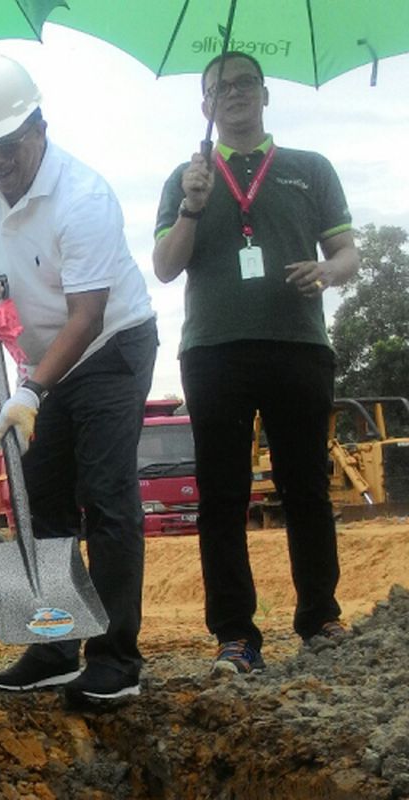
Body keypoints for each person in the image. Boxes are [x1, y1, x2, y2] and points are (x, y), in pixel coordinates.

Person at [0, 55, 158, 706]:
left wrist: (32, 391)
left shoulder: (84, 197)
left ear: (39, 125)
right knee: (39, 499)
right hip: (40, 358)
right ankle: (55, 645)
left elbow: (86, 314)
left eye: (6, 149)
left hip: (109, 345)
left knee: (105, 495)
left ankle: (118, 658)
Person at [152, 51, 359, 675]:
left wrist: (326, 271)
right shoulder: (185, 178)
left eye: (245, 84)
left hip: (299, 344)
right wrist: (191, 206)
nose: (234, 94)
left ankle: (319, 618)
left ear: (266, 95)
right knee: (221, 496)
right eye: (220, 87)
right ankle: (235, 636)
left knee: (307, 488)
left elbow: (348, 252)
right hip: (214, 350)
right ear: (205, 106)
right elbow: (164, 267)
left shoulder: (309, 169)